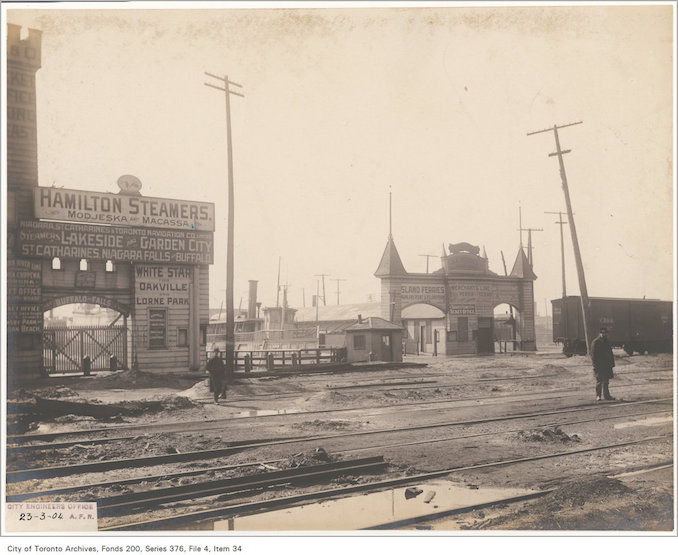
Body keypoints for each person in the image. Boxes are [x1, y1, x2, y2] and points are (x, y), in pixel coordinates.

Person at [591, 327, 616, 401]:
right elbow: (593, 355)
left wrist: (612, 364)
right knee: (599, 381)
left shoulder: (607, 342)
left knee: (606, 381)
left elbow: (610, 354)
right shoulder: (595, 342)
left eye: (605, 333)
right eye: (602, 333)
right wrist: (595, 365)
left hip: (606, 365)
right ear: (599, 333)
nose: (604, 334)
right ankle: (598, 396)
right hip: (599, 365)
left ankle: (607, 396)